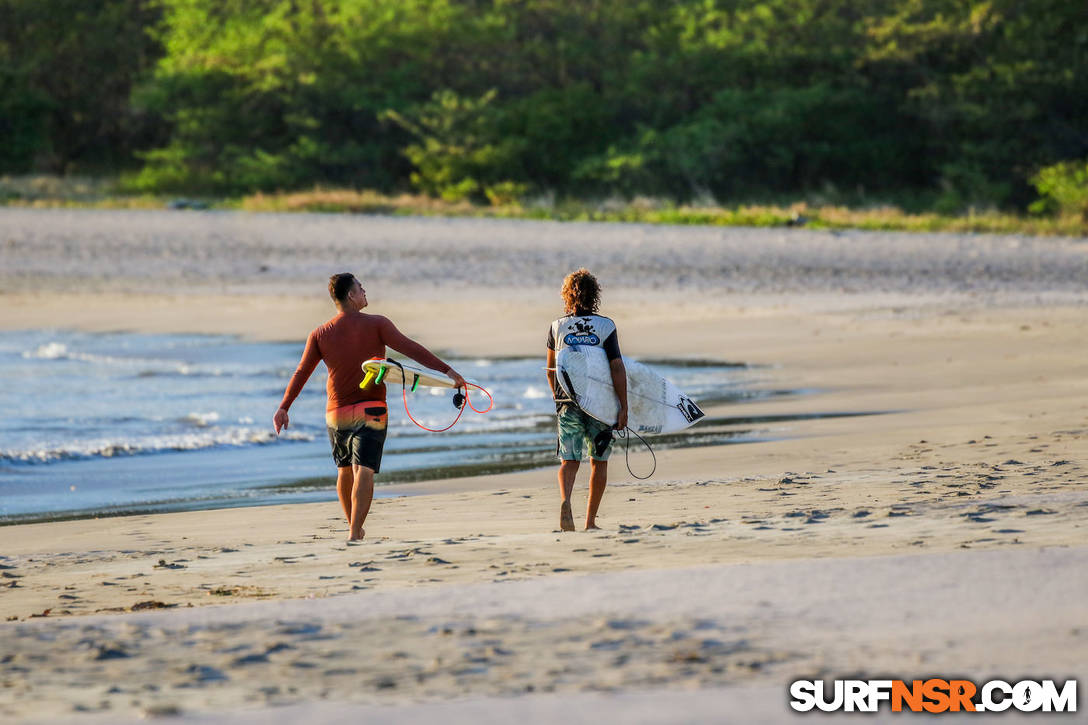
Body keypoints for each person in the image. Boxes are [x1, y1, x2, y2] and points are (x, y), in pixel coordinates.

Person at [274, 273, 465, 542]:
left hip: (336, 413)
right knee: (363, 469)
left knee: (344, 470)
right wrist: (448, 371)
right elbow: (412, 349)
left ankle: (354, 526)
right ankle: (354, 531)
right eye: (360, 289)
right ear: (350, 296)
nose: (365, 292)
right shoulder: (377, 324)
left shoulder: (319, 334)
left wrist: (284, 407)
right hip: (372, 409)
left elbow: (301, 372)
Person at [545, 269, 628, 531]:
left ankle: (565, 500)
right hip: (600, 405)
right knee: (598, 460)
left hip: (568, 402)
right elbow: (616, 367)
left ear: (567, 296)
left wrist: (559, 400)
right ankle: (590, 522)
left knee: (569, 460)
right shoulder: (605, 326)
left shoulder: (557, 327)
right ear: (595, 295)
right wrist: (623, 406)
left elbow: (551, 369)